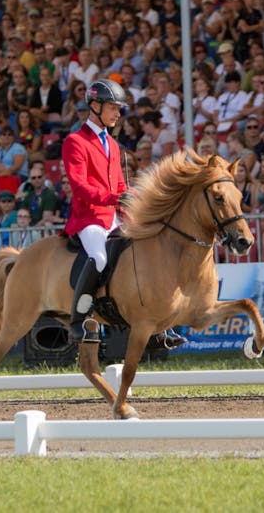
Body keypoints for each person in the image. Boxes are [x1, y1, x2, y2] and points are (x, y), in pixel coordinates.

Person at [62, 79, 183, 349]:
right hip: (89, 216)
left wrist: (133, 199)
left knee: (148, 248)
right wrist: (114, 198)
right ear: (95, 106)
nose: (118, 114)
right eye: (113, 108)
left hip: (114, 215)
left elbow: (119, 185)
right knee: (100, 257)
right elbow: (80, 186)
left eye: (119, 109)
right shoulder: (75, 141)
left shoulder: (114, 146)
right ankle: (77, 319)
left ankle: (162, 325)